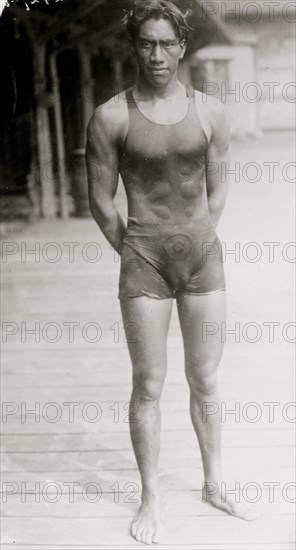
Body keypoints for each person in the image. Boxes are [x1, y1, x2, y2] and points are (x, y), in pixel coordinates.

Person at [86, 1, 256, 544]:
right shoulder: (111, 116)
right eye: (146, 43)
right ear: (133, 46)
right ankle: (151, 499)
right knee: (149, 384)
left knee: (205, 378)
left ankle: (214, 481)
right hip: (145, 260)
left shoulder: (210, 111)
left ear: (182, 47)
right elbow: (99, 200)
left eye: (166, 43)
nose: (157, 54)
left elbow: (220, 184)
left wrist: (199, 234)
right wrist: (134, 251)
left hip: (203, 255)